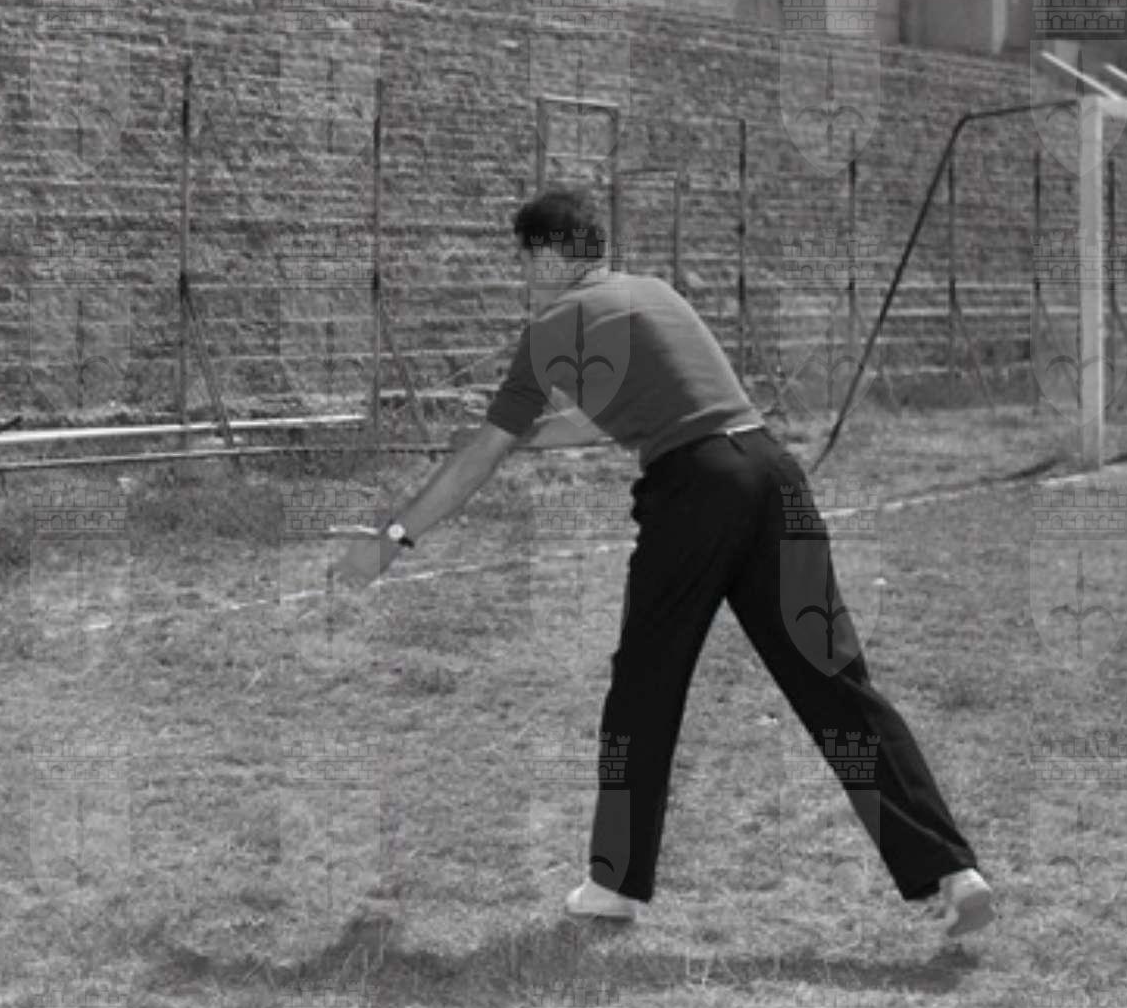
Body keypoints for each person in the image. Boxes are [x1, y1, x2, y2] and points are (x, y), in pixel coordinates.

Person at [332, 186, 994, 939]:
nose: (524, 276)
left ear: (546, 255)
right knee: (836, 683)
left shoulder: (549, 327)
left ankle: (614, 885)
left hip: (695, 491)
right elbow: (623, 414)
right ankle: (952, 870)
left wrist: (390, 539)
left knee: (645, 687)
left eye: (524, 261)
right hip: (773, 472)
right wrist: (517, 435)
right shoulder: (655, 294)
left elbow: (480, 457)